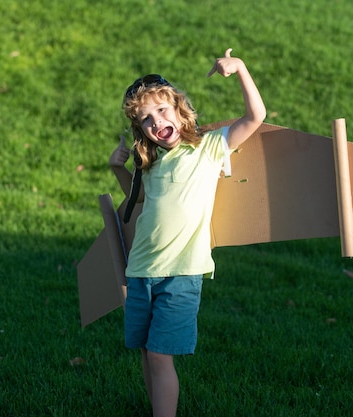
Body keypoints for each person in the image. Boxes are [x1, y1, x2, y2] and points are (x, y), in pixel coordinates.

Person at [109, 48, 265, 417]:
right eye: (146, 118)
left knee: (161, 354)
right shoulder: (151, 164)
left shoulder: (208, 148)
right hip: (142, 269)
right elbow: (141, 199)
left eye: (162, 110)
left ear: (179, 109)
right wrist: (119, 170)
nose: (155, 121)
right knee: (148, 351)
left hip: (181, 273)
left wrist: (240, 68)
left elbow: (255, 117)